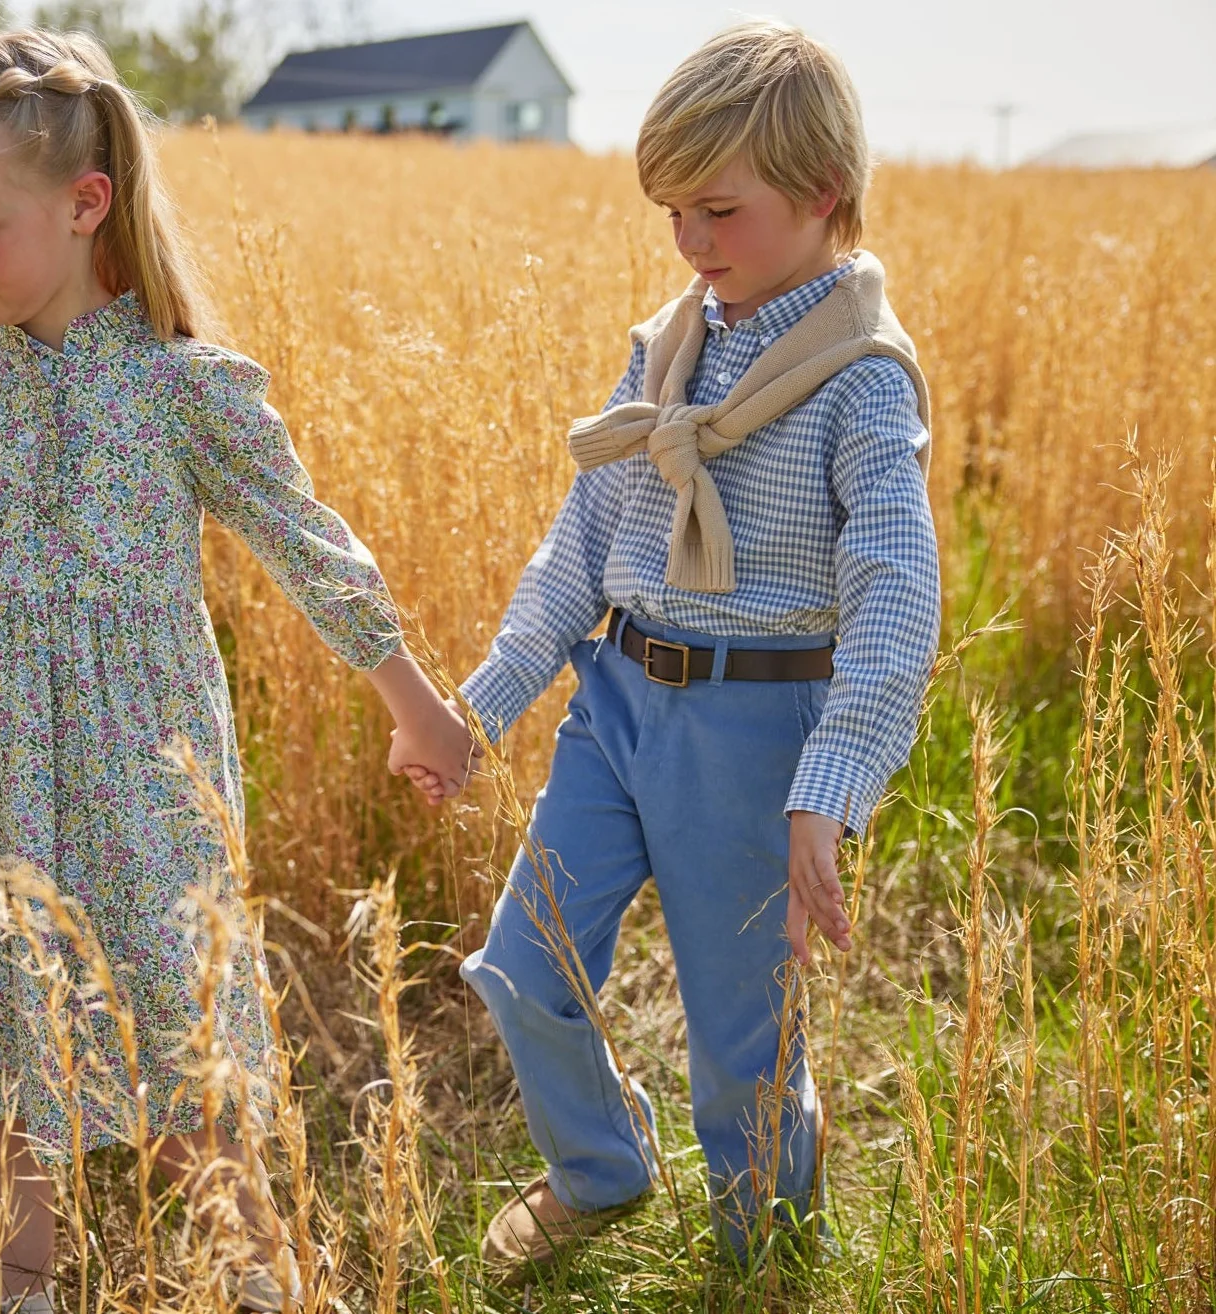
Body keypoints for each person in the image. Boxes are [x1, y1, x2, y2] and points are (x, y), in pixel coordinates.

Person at [0, 28, 476, 1313]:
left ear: (84, 205)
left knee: (186, 1063)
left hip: (145, 777)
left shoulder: (182, 387)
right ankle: (22, 1296)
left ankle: (253, 1289)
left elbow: (304, 540)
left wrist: (415, 705)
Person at [406, 19, 942, 1275]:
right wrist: (477, 711)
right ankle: (601, 1169)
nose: (691, 246)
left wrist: (827, 789)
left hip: (755, 737)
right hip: (618, 707)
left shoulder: (859, 383)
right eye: (670, 216)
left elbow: (895, 596)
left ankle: (759, 1256)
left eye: (717, 211)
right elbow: (578, 548)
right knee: (522, 963)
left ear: (820, 197)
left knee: (742, 1041)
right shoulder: (667, 348)